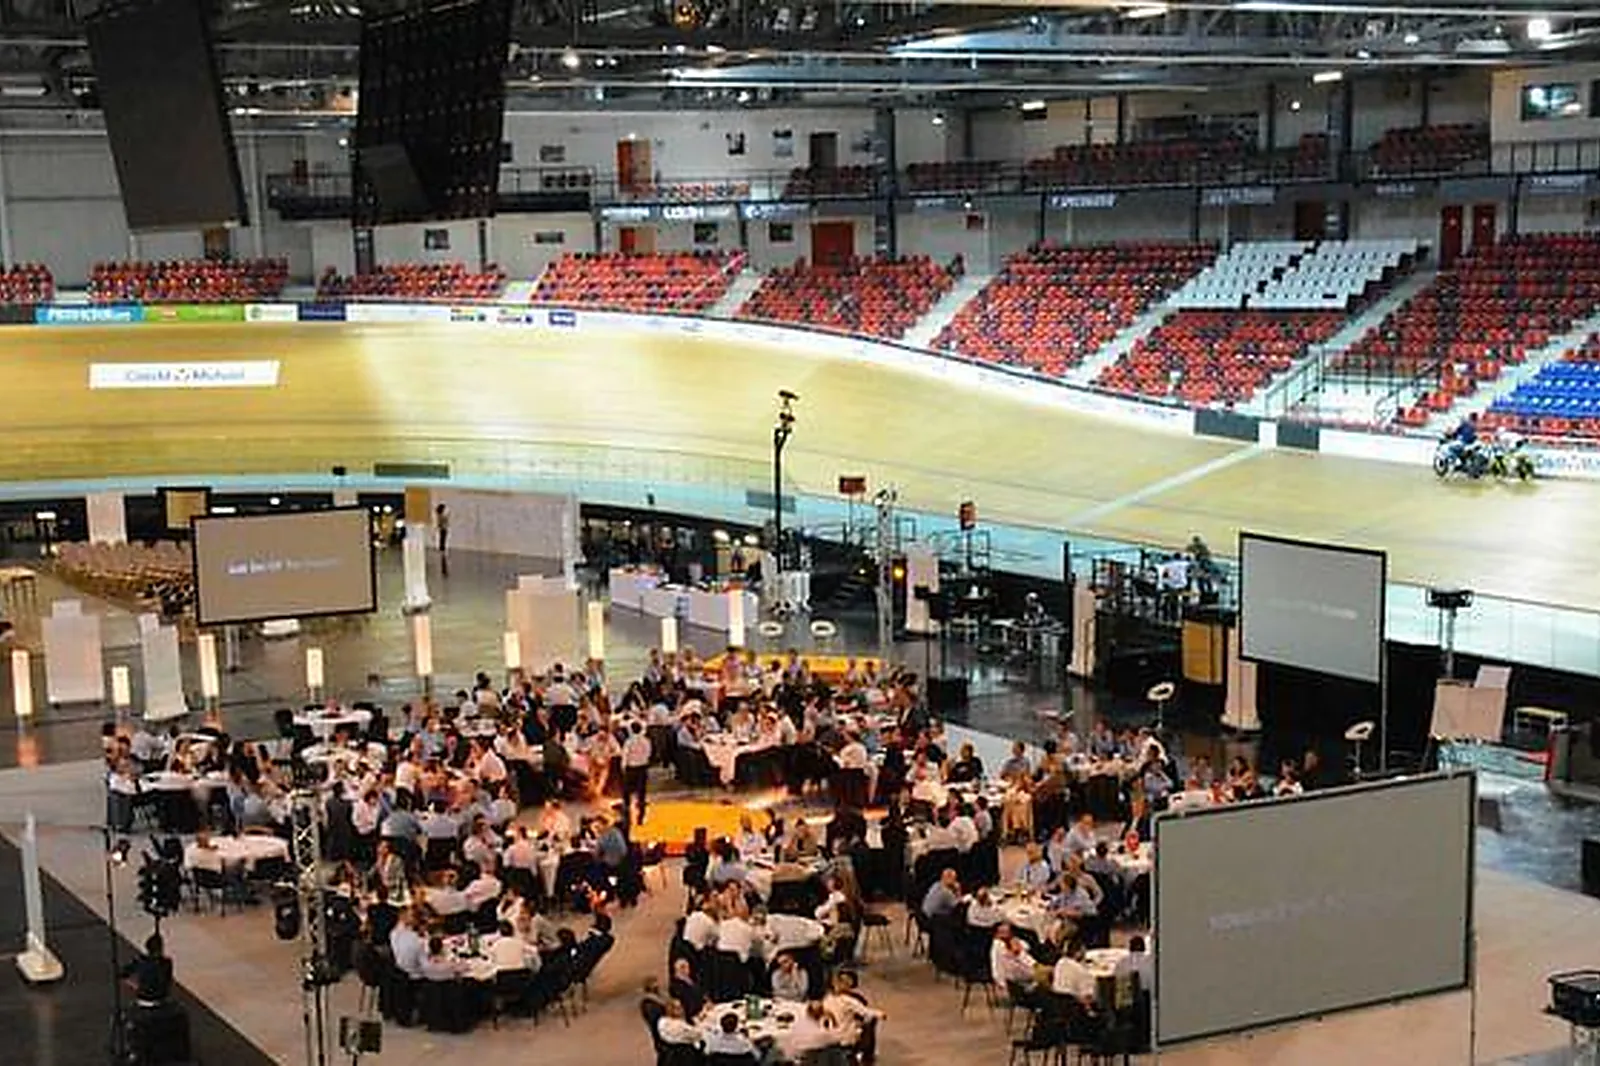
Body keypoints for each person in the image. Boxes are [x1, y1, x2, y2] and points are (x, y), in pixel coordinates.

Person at [121, 933, 174, 1006]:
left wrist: (135, 986)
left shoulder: (140, 961)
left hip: (143, 999)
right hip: (161, 1001)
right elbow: (167, 981)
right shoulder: (166, 963)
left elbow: (123, 974)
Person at [621, 721, 652, 825]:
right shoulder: (646, 741)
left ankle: (627, 816)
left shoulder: (629, 742)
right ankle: (641, 817)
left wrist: (623, 767)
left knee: (627, 793)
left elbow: (625, 755)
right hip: (642, 767)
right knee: (641, 793)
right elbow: (649, 753)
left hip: (631, 768)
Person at [434, 502, 450, 576]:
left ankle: (442, 550)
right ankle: (442, 550)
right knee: (442, 540)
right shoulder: (442, 516)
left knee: (442, 540)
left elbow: (441, 524)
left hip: (443, 530)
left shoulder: (441, 516)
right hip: (443, 530)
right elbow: (442, 523)